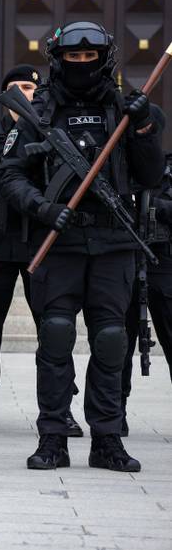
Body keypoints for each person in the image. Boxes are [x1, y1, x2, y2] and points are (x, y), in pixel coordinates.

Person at [0, 21, 163, 471]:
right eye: (73, 59)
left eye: (89, 59)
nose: (81, 66)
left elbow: (150, 176)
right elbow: (10, 176)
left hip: (114, 243)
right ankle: (53, 436)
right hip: (59, 244)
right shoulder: (39, 111)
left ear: (104, 59)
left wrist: (144, 126)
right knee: (55, 338)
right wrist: (43, 208)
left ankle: (107, 439)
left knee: (111, 341)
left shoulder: (128, 111)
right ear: (58, 60)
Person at [0, 64, 80, 437]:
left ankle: (62, 408)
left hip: (40, 244)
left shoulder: (54, 131)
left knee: (55, 330)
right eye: (15, 87)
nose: (23, 93)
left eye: (29, 86)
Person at [122, 105, 170, 435]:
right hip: (124, 258)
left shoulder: (164, 168)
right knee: (116, 344)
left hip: (163, 262)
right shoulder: (122, 165)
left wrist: (155, 207)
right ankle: (114, 411)